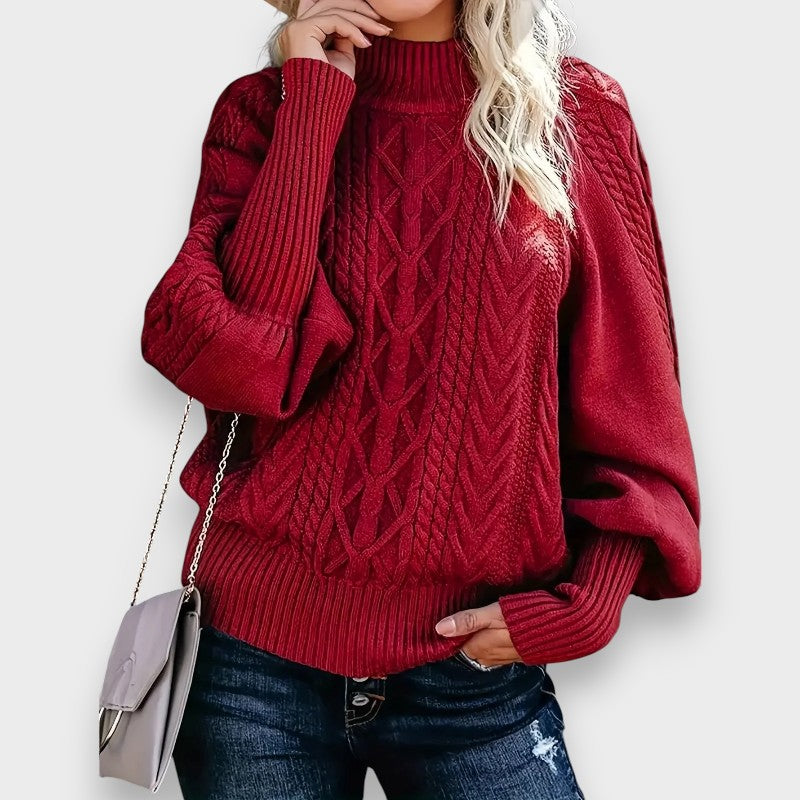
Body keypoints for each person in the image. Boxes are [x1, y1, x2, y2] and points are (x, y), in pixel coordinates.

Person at [139, 0, 701, 797]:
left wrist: (589, 602)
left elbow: (637, 395)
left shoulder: (576, 116)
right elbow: (235, 364)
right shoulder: (263, 111)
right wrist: (312, 109)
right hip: (252, 669)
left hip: (475, 679)